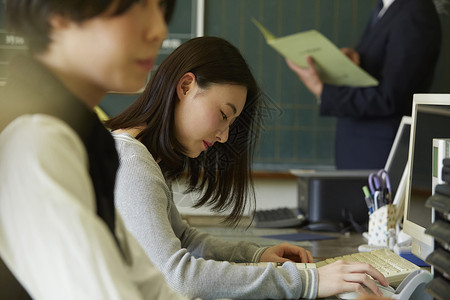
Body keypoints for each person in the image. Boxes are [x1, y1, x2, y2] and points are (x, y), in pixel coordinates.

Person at [105, 36, 389, 299]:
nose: (224, 135)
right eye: (223, 115)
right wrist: (308, 281)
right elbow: (180, 276)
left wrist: (255, 255)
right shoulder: (132, 163)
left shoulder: (140, 156)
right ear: (186, 86)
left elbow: (185, 238)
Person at [0, 0, 188, 299]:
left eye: (161, 7)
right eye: (137, 5)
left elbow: (149, 286)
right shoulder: (37, 137)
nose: (159, 30)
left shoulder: (81, 133)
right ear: (58, 13)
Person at [286, 0, 441, 169]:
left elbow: (390, 98)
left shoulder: (415, 13)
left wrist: (322, 90)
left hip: (378, 157)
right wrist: (354, 62)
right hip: (362, 154)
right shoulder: (385, 8)